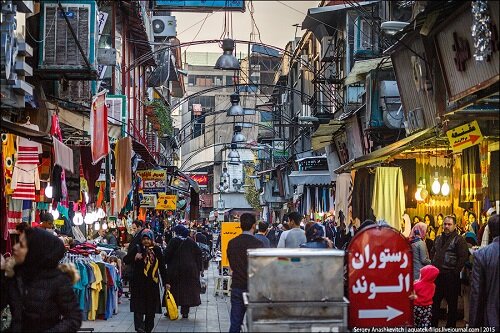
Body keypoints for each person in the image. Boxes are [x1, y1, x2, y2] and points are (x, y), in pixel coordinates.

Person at [0, 228, 82, 332]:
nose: (14, 247)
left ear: (34, 250)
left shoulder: (58, 280)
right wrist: (2, 273)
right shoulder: (15, 275)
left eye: (21, 245)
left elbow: (74, 318)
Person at [123, 229, 167, 333]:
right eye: (144, 239)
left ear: (152, 239)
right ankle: (139, 328)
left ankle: (148, 328)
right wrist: (135, 256)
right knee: (138, 308)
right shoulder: (137, 249)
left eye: (148, 239)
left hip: (152, 284)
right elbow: (126, 259)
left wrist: (166, 282)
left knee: (150, 310)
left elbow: (162, 267)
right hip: (138, 284)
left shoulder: (156, 250)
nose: (146, 241)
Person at [227, 213, 264, 333]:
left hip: (237, 286)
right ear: (254, 225)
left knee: (235, 323)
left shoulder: (232, 243)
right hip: (254, 289)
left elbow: (231, 265)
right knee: (254, 324)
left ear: (240, 225)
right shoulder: (258, 244)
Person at [430, 215, 469, 328]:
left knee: (452, 306)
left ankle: (450, 328)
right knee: (435, 304)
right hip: (437, 276)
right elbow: (433, 252)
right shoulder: (438, 238)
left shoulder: (459, 239)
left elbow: (463, 257)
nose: (446, 226)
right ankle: (433, 327)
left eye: (449, 224)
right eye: (445, 224)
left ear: (455, 226)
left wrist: (455, 271)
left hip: (451, 276)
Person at [163, 224, 203, 319]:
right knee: (187, 292)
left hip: (175, 270)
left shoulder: (173, 241)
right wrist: (198, 268)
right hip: (190, 271)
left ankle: (172, 310)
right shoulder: (191, 242)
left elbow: (166, 255)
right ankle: (185, 312)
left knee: (174, 290)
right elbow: (199, 253)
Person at [469, 214, 499, 329]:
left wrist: (473, 326)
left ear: (490, 231)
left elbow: (476, 292)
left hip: (491, 317)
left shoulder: (482, 255)